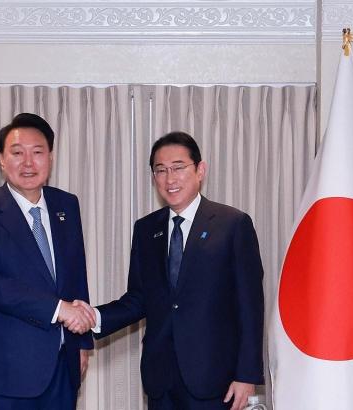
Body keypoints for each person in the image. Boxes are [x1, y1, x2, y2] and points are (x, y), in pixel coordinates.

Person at [82, 131, 265, 410]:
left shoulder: (232, 224)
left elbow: (250, 306)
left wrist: (247, 375)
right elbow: (139, 299)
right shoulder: (146, 229)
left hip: (217, 380)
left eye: (178, 168)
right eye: (161, 170)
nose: (170, 179)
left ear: (200, 170)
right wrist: (93, 317)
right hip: (161, 379)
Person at [0, 113, 96, 410]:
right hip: (4, 373)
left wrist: (82, 343)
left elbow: (75, 276)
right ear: (1, 159)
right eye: (17, 153)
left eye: (37, 152)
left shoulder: (66, 205)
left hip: (62, 366)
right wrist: (59, 309)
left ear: (51, 157)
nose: (28, 163)